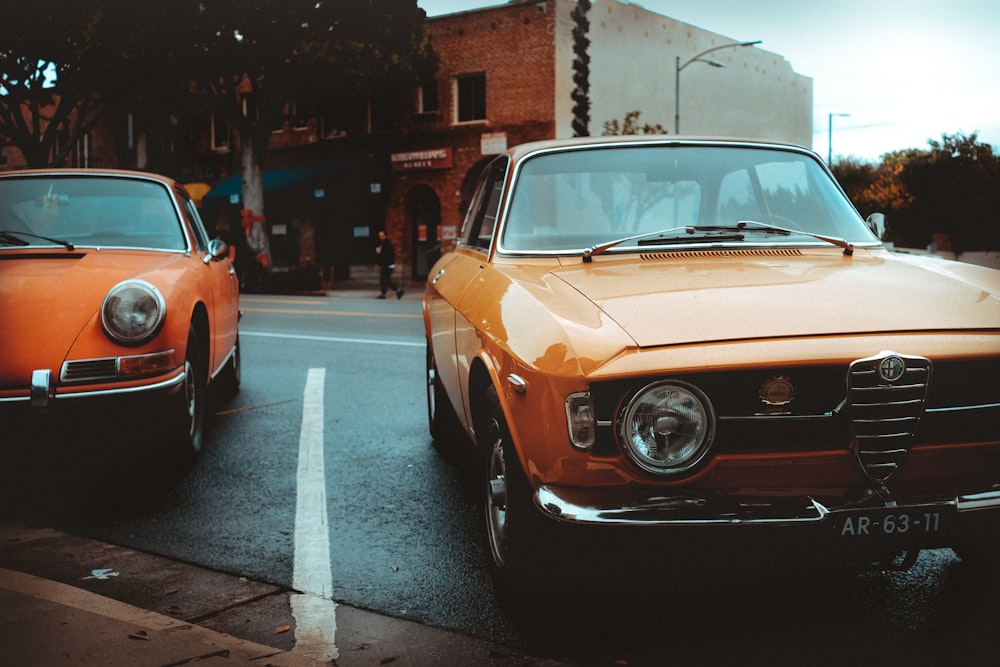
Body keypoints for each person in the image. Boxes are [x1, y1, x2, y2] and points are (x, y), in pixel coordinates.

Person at [374, 230, 403, 299]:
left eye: (382, 235)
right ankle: (384, 293)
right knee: (384, 279)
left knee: (385, 279)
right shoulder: (382, 243)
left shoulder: (386, 243)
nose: (380, 237)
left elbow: (385, 256)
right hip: (386, 264)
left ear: (385, 236)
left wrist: (379, 264)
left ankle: (398, 290)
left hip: (388, 265)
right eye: (379, 236)